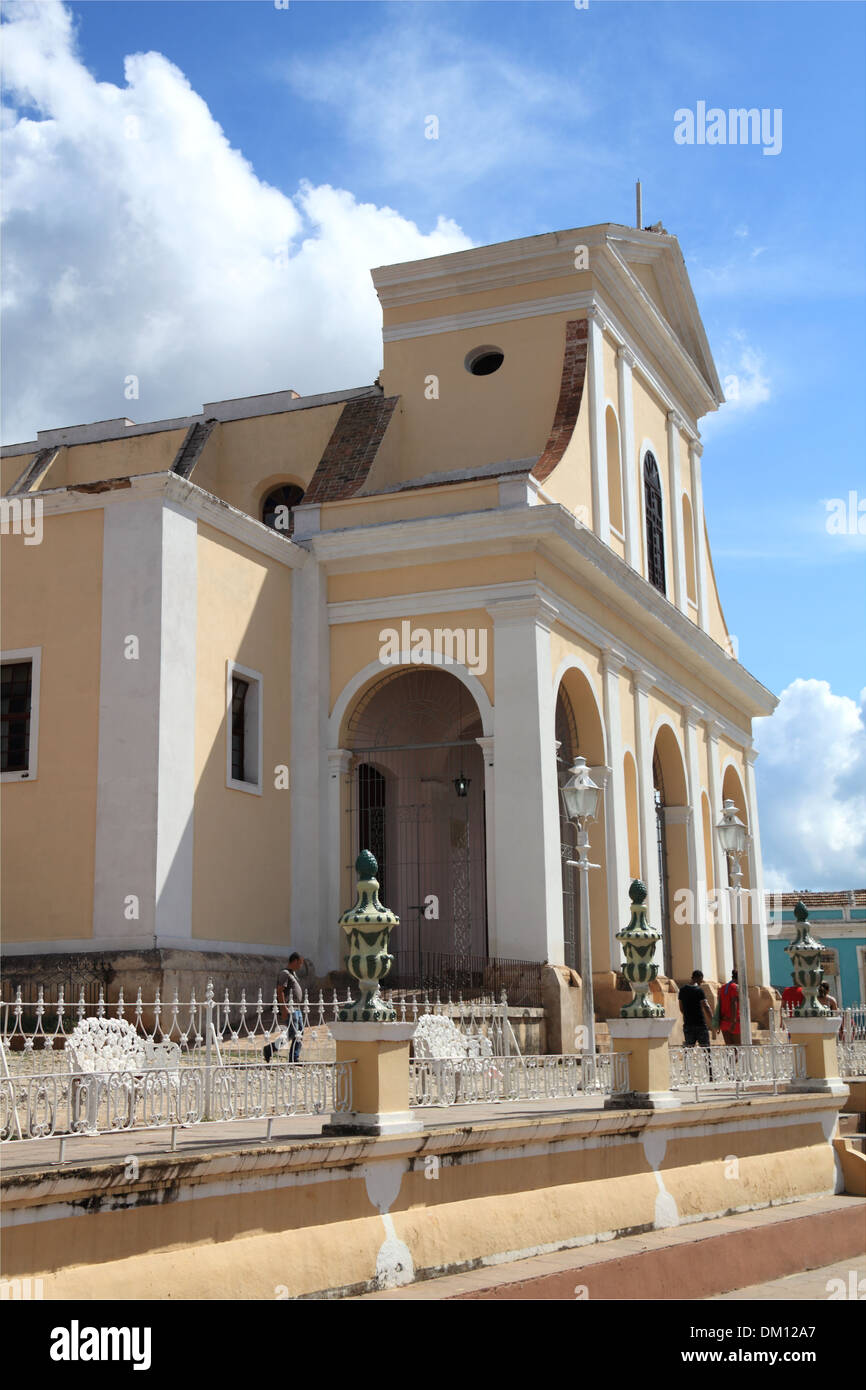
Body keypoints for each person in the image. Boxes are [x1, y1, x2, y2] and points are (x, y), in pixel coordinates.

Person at [263, 952, 305, 1062]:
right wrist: (283, 1008)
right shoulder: (285, 973)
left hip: (296, 1008)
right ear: (295, 961)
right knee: (292, 1033)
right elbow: (280, 991)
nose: (300, 966)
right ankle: (270, 1049)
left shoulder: (292, 974)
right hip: (290, 1008)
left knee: (299, 1033)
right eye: (300, 963)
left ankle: (294, 1057)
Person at [678, 970, 713, 1048]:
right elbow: (706, 1006)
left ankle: (687, 1060)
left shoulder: (682, 990)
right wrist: (713, 1020)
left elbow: (681, 1008)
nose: (701, 982)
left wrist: (688, 1015)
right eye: (701, 980)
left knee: (689, 1049)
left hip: (688, 1024)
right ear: (698, 978)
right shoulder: (699, 990)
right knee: (706, 1050)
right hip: (700, 1024)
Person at [713, 969, 740, 1046]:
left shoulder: (723, 987)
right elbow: (734, 1002)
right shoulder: (735, 987)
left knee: (729, 1049)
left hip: (724, 1022)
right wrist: (733, 1021)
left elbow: (719, 1005)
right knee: (738, 1049)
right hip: (735, 1023)